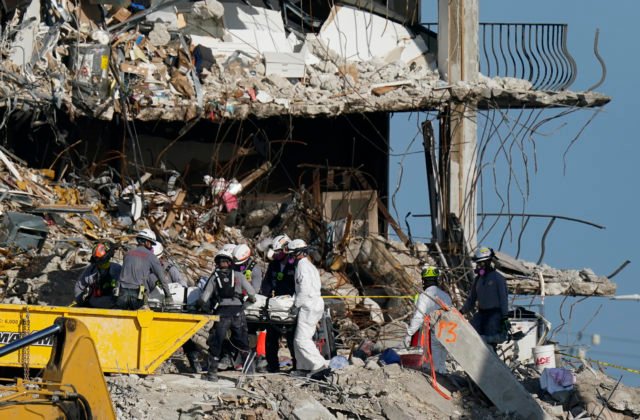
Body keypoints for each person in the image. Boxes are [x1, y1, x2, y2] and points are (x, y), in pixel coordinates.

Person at [199, 247, 257, 382]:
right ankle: (249, 375)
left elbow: (203, 298)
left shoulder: (214, 278)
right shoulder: (239, 275)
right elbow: (252, 293)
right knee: (243, 343)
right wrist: (249, 301)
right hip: (238, 312)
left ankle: (212, 374)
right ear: (230, 262)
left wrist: (203, 308)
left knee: (217, 343)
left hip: (222, 314)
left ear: (217, 263)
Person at [287, 239, 328, 375]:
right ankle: (303, 367)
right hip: (314, 303)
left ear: (298, 253)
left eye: (292, 254)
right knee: (298, 339)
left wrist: (295, 305)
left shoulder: (302, 267)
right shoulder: (309, 265)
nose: (291, 257)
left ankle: (319, 364)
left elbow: (304, 289)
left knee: (301, 340)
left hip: (308, 305)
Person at [403, 265, 453, 374]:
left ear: (424, 281)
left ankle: (434, 385)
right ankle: (443, 380)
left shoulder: (424, 296)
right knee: (441, 361)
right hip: (447, 332)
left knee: (432, 364)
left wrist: (409, 333)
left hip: (433, 332)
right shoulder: (446, 296)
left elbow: (418, 317)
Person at [260, 234, 297, 373]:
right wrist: (264, 300)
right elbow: (267, 283)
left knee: (292, 338)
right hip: (275, 306)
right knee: (271, 337)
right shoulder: (274, 264)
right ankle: (272, 366)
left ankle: (297, 365)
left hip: (289, 306)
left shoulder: (295, 264)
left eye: (278, 251)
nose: (276, 255)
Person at [460, 246, 510, 347]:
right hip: (481, 314)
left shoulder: (498, 279)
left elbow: (503, 300)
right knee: (470, 333)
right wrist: (461, 312)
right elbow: (471, 299)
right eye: (478, 263)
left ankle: (491, 358)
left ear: (488, 262)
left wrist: (505, 317)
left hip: (494, 315)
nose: (479, 266)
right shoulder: (478, 280)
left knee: (489, 342)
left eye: (481, 263)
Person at [116, 229, 172, 310]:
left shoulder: (128, 254)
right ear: (146, 242)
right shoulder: (151, 257)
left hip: (121, 292)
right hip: (137, 295)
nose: (151, 246)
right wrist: (168, 296)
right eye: (151, 244)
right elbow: (162, 278)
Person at [74, 242, 121, 308]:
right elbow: (79, 287)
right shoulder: (91, 271)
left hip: (109, 304)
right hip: (98, 303)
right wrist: (81, 302)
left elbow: (79, 286)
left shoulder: (117, 269)